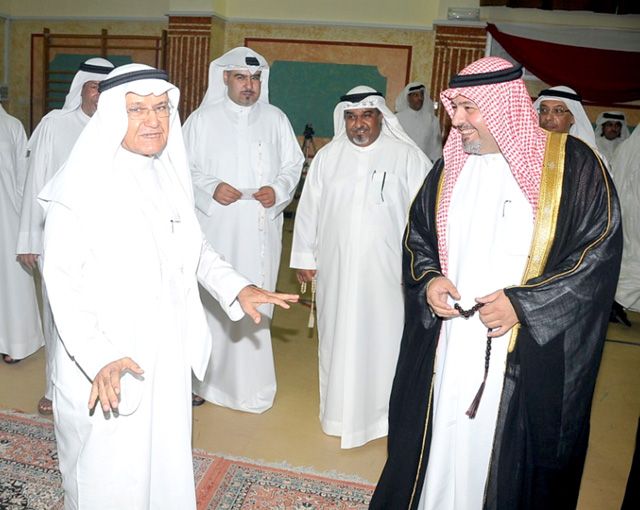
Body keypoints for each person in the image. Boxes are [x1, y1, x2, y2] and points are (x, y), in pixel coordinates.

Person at [37, 63, 298, 510]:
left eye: (161, 108)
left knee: (163, 463)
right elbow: (61, 281)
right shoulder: (79, 184)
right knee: (108, 471)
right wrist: (98, 356)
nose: (153, 120)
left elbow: (195, 248)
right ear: (112, 115)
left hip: (165, 348)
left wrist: (236, 287)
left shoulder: (166, 174)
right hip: (108, 356)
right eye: (137, 110)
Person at [370, 57, 622, 509]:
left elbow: (596, 251)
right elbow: (419, 235)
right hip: (450, 343)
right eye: (455, 108)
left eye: (469, 108)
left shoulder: (572, 166)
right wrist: (429, 279)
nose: (458, 120)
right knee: (442, 434)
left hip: (520, 347)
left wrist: (525, 305)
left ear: (505, 107)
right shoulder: (450, 168)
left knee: (502, 456)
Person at [290, 86, 431, 448]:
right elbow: (309, 210)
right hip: (335, 270)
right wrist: (304, 256)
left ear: (381, 116)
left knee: (385, 340)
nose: (358, 124)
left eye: (366, 115)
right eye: (351, 117)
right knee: (336, 338)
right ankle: (337, 414)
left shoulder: (407, 157)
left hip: (389, 273)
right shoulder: (328, 157)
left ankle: (381, 417)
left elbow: (426, 215)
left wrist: (421, 267)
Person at [183, 47, 303, 412]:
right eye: (241, 78)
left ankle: (253, 386)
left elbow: (293, 164)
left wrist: (278, 190)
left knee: (256, 298)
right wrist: (211, 187)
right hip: (216, 224)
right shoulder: (201, 120)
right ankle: (204, 382)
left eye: (254, 79)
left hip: (260, 224)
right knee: (213, 297)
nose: (249, 86)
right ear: (225, 78)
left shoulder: (276, 118)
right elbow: (181, 167)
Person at [16, 57, 114, 414]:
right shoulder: (55, 124)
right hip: (58, 237)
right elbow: (34, 182)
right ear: (81, 89)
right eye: (93, 87)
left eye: (105, 89)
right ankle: (53, 388)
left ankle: (97, 383)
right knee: (59, 315)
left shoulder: (119, 127)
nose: (99, 95)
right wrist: (29, 238)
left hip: (106, 240)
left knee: (101, 316)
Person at [0, 103, 44, 364]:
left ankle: (14, 342)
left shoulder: (11, 126)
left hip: (6, 217)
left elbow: (23, 178)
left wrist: (22, 222)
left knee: (10, 282)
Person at [610, 125, 639, 316]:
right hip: (634, 216)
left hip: (622, 212)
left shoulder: (624, 147)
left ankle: (615, 301)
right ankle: (616, 301)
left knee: (629, 257)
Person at [533, 85, 600, 156]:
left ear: (573, 117)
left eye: (558, 111)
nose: (548, 117)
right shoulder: (528, 149)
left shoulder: (586, 155)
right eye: (543, 110)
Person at [395, 82, 443, 162]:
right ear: (408, 97)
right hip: (401, 162)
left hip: (424, 164)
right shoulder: (397, 119)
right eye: (416, 95)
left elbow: (436, 149)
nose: (420, 98)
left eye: (421, 95)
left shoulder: (432, 120)